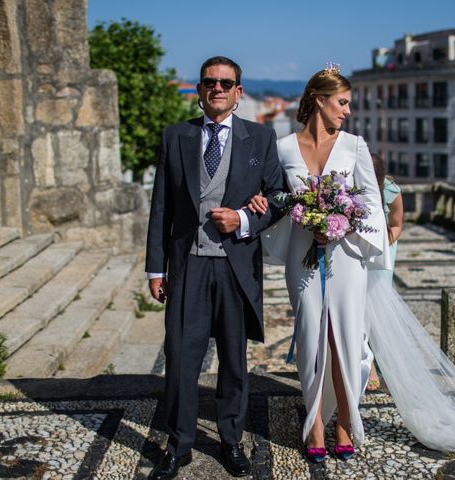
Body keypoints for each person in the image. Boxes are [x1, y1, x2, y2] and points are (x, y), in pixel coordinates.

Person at [250, 64, 455, 461]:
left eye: (349, 104)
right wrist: (276, 207)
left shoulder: (355, 146)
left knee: (345, 339)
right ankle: (313, 425)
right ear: (319, 100)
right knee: (312, 338)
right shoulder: (284, 148)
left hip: (346, 257)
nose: (347, 111)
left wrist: (340, 222)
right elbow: (275, 197)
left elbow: (371, 204)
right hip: (303, 257)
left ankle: (345, 422)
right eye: (342, 103)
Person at [145, 56, 286, 480]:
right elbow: (161, 206)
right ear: (201, 89)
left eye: (226, 82)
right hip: (187, 264)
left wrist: (243, 220)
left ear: (239, 92)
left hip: (236, 265)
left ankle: (231, 440)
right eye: (210, 82)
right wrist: (156, 269)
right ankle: (180, 442)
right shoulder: (176, 136)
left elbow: (278, 197)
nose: (218, 88)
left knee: (233, 361)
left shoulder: (260, 138)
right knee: (182, 357)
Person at [366, 153, 403, 391]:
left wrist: (383, 243)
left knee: (375, 307)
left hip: (382, 252)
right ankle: (364, 362)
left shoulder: (390, 189)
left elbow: (397, 223)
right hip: (354, 252)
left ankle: (374, 363)